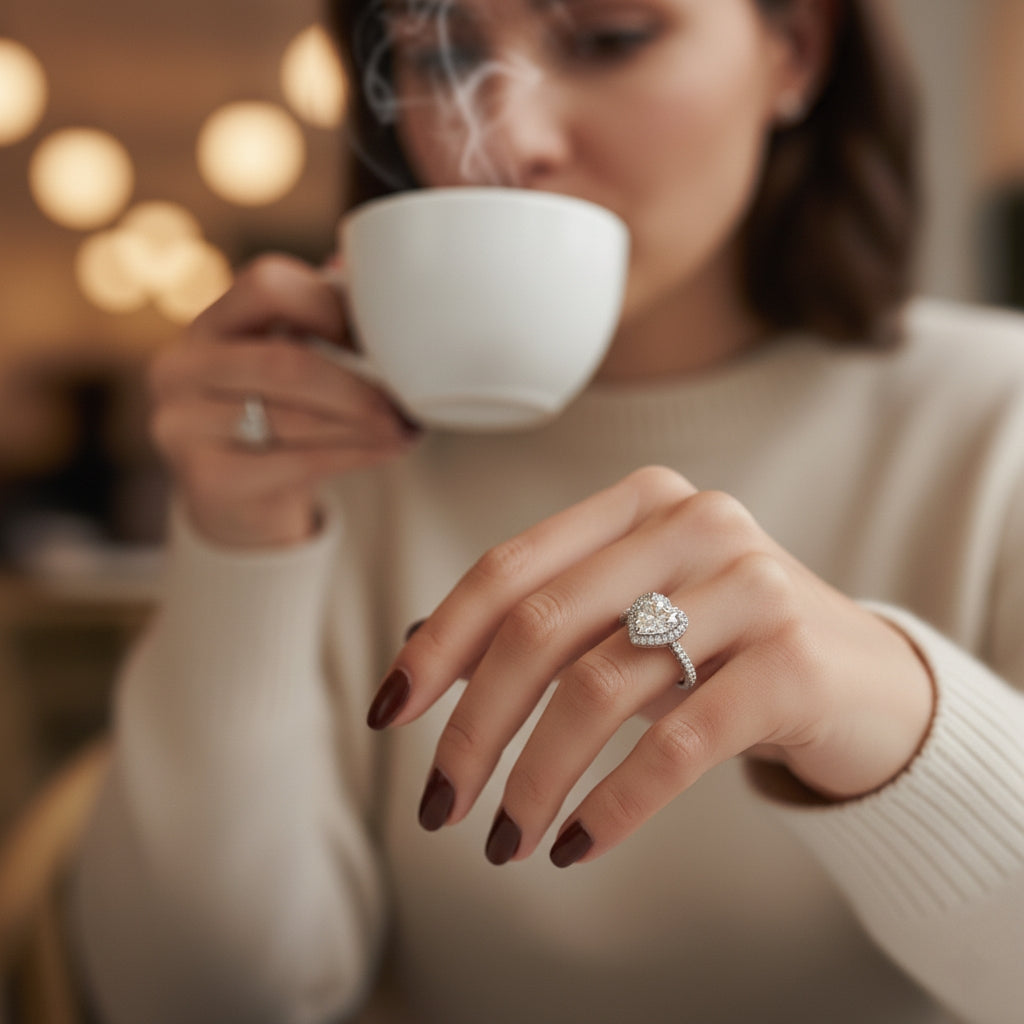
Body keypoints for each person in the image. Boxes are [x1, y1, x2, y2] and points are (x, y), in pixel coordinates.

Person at [69, 0, 1024, 1022]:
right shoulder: (335, 452)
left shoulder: (995, 419)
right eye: (442, 56)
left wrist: (903, 720)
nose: (510, 139)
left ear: (794, 48)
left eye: (609, 37)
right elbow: (196, 1000)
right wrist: (234, 543)